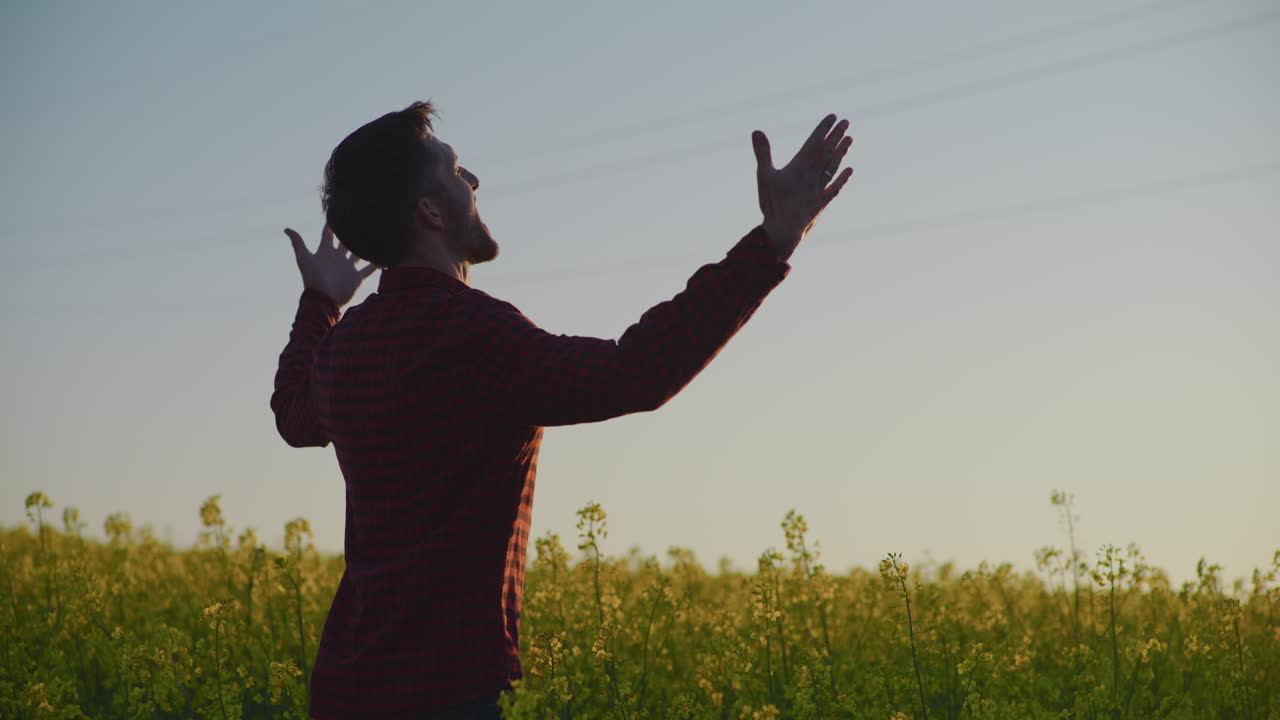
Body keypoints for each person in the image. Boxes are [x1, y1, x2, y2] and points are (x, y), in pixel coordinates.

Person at [271, 100, 853, 720]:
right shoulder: (476, 337)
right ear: (430, 212)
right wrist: (773, 240)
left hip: (343, 691)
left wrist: (321, 301)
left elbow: (292, 415)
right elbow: (637, 372)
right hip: (451, 694)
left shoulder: (345, 348)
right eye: (457, 171)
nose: (473, 183)